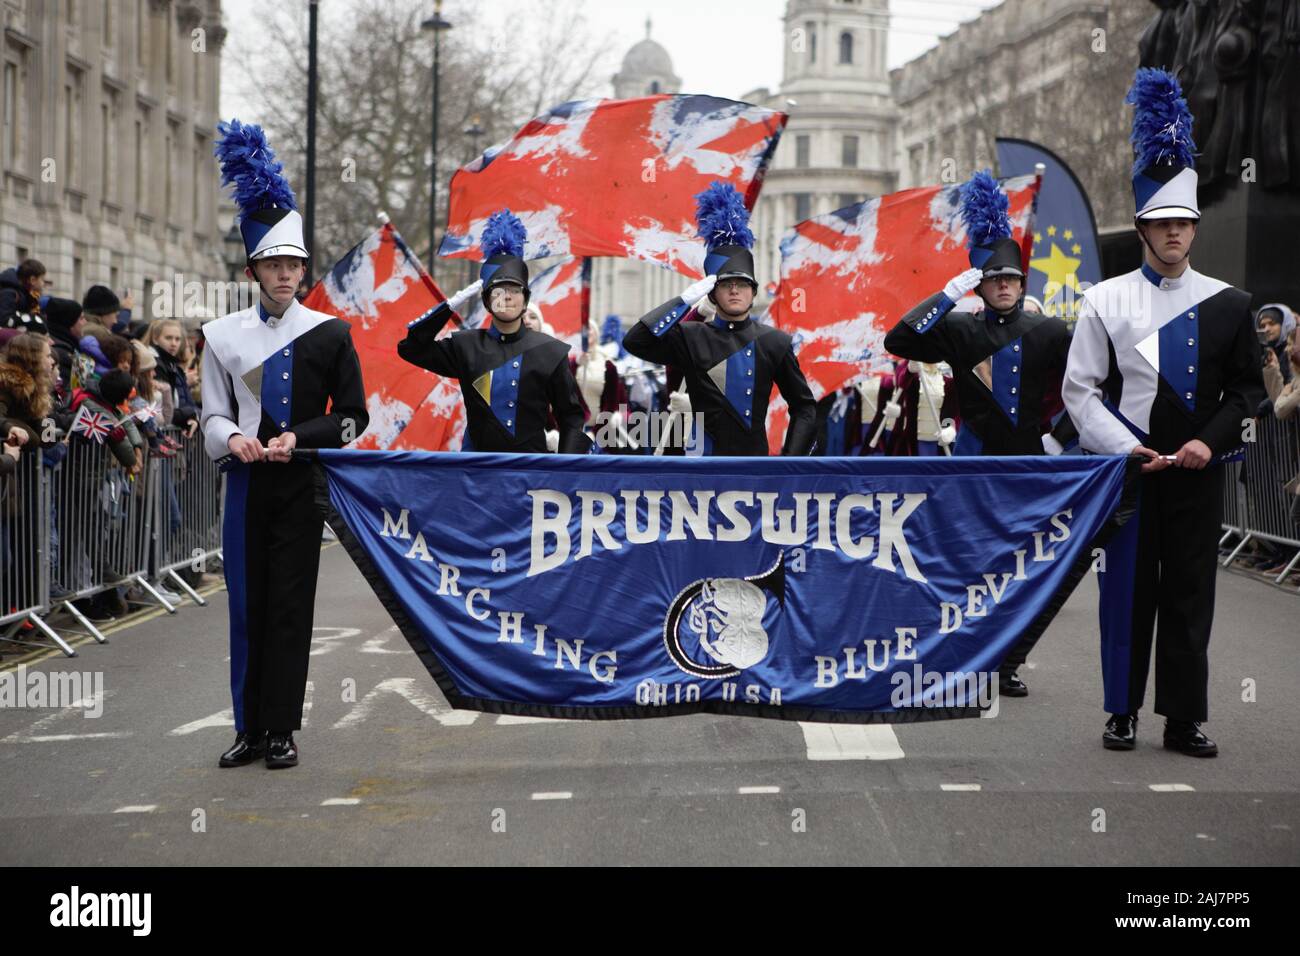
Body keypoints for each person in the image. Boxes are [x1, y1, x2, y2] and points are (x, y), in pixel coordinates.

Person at [1063, 69, 1265, 757]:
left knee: (1189, 594)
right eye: (1163, 224)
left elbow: (1248, 391)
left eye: (1184, 223)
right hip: (1130, 471)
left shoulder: (1233, 303)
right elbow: (1081, 391)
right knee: (1124, 593)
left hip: (1196, 472)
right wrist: (1124, 449)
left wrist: (1212, 444)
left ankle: (1183, 718)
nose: (1175, 234)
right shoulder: (1106, 299)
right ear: (1144, 228)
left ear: (1194, 228)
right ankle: (1121, 710)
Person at [202, 119, 369, 769]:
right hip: (245, 486)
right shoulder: (221, 335)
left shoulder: (330, 333)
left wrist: (301, 435)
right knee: (247, 607)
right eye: (274, 263)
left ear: (303, 267)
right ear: (254, 269)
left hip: (299, 486)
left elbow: (354, 419)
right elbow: (211, 416)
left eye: (294, 263)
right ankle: (247, 727)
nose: (285, 274)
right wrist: (237, 437)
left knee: (290, 608)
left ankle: (281, 730)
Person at [883, 169, 1075, 696]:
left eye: (1012, 278)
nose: (1006, 285)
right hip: (971, 459)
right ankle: (963, 656)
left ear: (1022, 281)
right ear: (981, 285)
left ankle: (1007, 662)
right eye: (994, 279)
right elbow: (897, 339)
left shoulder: (1053, 329)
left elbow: (1089, 384)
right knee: (966, 561)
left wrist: (1058, 435)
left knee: (1020, 566)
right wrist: (946, 295)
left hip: (1029, 463)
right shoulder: (961, 327)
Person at [623, 181, 816, 456]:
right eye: (726, 285)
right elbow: (635, 341)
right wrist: (683, 300)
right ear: (712, 293)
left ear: (754, 291)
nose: (735, 290)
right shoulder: (691, 335)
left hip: (752, 470)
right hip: (698, 467)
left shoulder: (775, 342)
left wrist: (790, 462)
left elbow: (804, 406)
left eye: (742, 284)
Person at [398, 210, 589, 454]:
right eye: (498, 291)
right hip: (475, 474)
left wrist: (563, 471)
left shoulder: (550, 351)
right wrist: (451, 304)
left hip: (532, 475)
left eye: (514, 290)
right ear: (487, 301)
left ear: (525, 298)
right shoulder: (464, 346)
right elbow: (411, 348)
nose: (507, 297)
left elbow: (571, 417)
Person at [0, 259, 48, 333]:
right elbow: (4, 320)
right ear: (33, 280)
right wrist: (31, 319)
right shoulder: (8, 293)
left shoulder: (26, 294)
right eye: (42, 279)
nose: (43, 284)